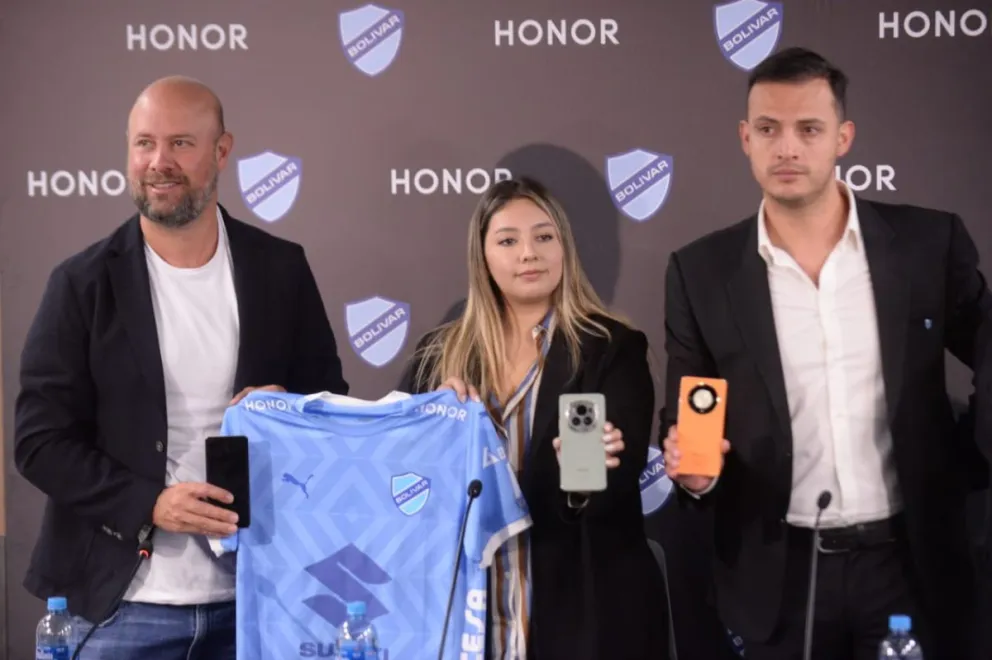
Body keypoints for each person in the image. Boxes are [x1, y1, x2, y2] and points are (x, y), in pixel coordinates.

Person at [660, 47, 992, 660]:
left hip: (908, 564)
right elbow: (689, 411)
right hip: (777, 577)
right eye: (768, 129)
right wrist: (693, 470)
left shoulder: (927, 243)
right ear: (745, 138)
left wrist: (973, 451)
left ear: (843, 138)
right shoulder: (700, 271)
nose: (787, 148)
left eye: (808, 129)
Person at [14, 75, 348, 659]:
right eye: (144, 143)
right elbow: (39, 441)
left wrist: (289, 412)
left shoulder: (281, 269)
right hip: (114, 608)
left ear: (222, 151)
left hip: (258, 602)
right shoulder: (81, 283)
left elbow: (330, 408)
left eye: (181, 144)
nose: (158, 162)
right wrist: (151, 502)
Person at [399, 176, 666, 660]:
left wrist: (586, 476)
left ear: (565, 247)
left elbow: (619, 480)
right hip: (465, 622)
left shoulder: (611, 349)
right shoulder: (437, 357)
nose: (529, 253)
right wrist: (428, 425)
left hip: (581, 617)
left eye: (544, 236)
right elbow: (397, 479)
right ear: (482, 256)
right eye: (508, 240)